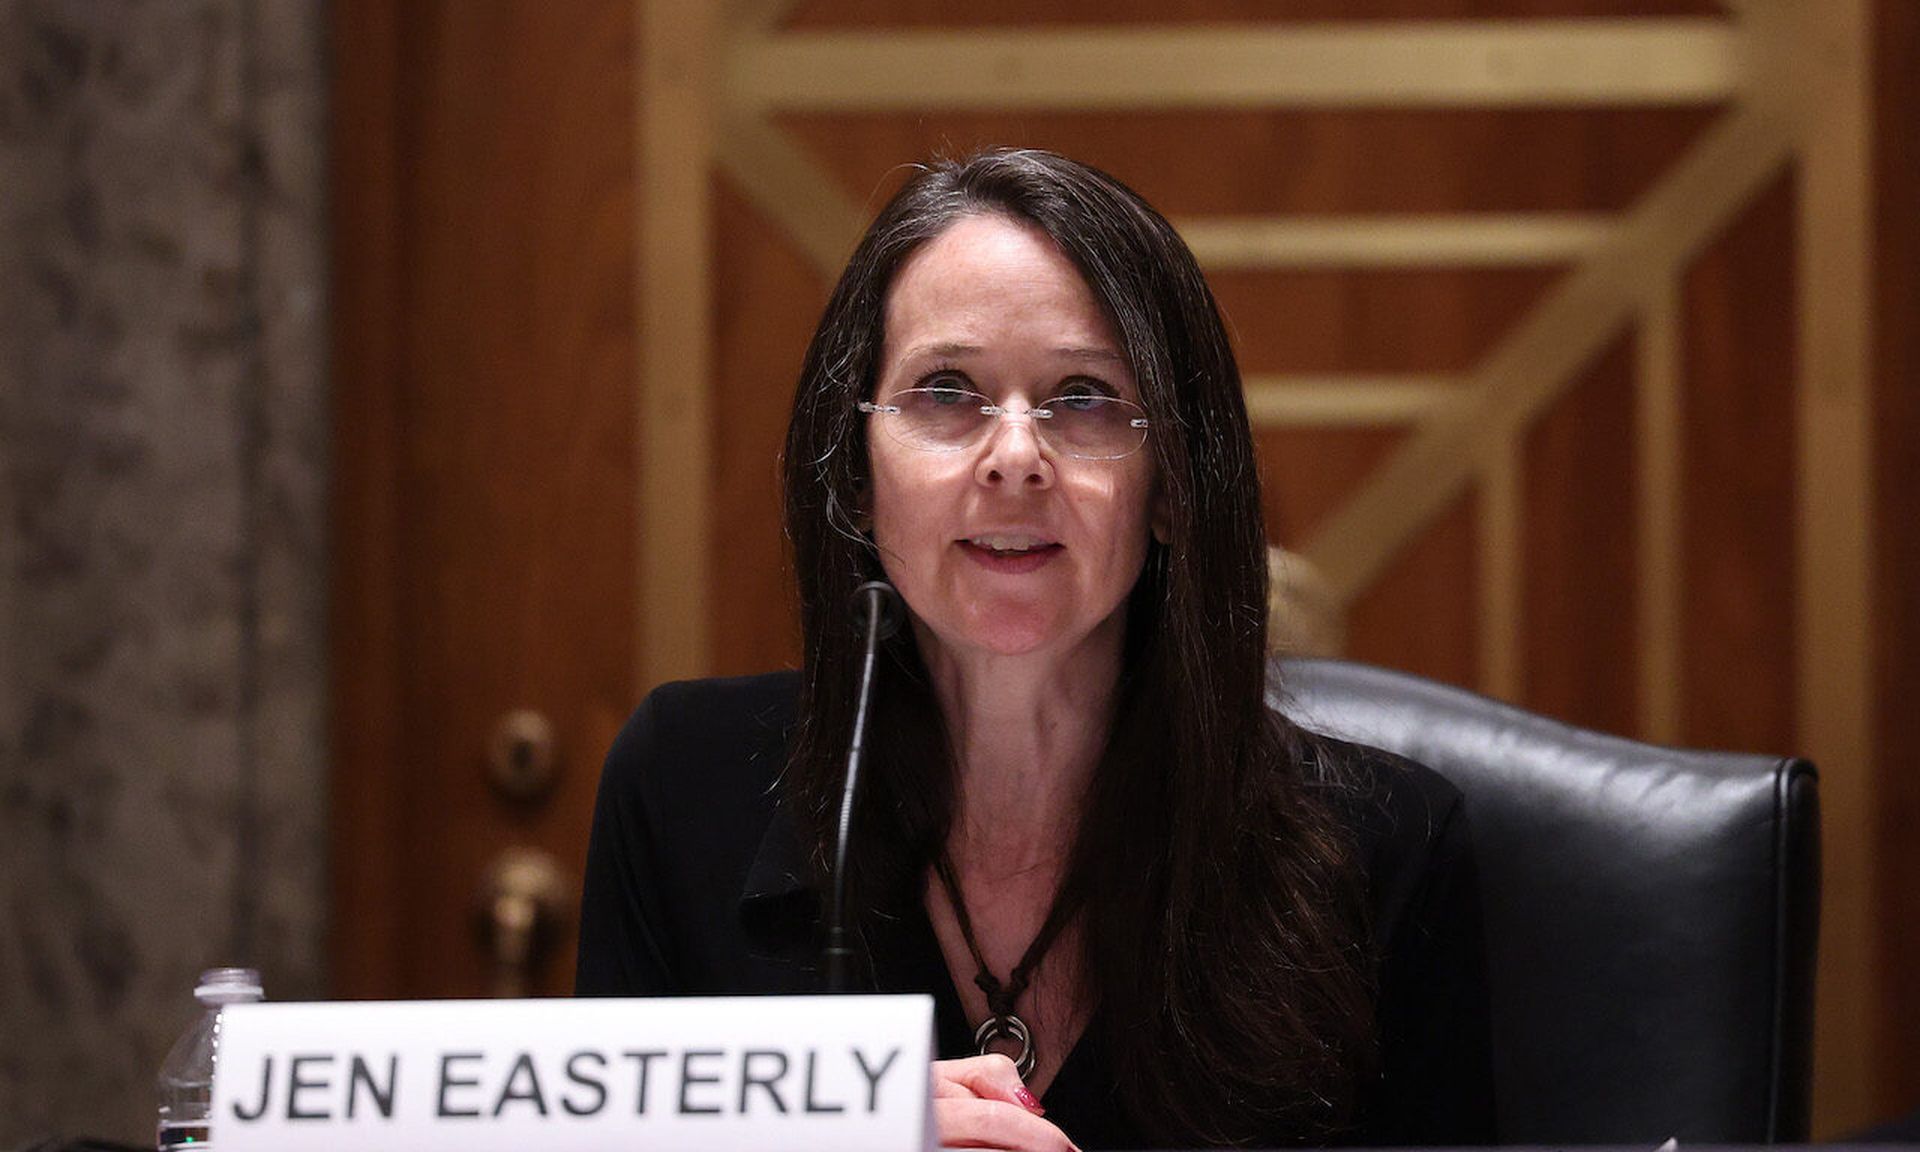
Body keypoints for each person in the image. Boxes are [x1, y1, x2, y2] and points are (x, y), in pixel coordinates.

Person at [576, 148, 1495, 1150]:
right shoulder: (683, 790)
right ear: (855, 473)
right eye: (945, 391)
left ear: (1175, 486)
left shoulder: (1385, 852)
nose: (1015, 456)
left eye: (1084, 397)